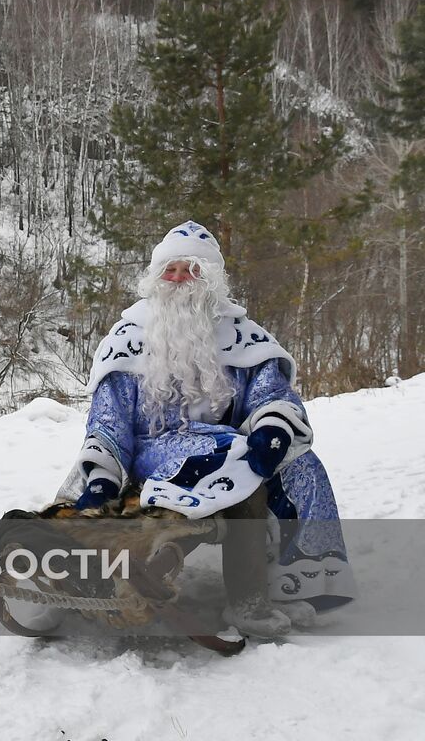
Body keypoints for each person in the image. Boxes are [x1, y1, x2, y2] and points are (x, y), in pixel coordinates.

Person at [58, 220, 355, 633]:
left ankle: (292, 586)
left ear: (210, 279)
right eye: (172, 270)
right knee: (228, 456)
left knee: (303, 466)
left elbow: (271, 392)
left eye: (192, 270)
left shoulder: (243, 337)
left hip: (231, 444)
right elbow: (109, 419)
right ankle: (235, 597)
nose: (180, 279)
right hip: (155, 452)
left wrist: (272, 429)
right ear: (156, 277)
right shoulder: (128, 339)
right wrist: (103, 477)